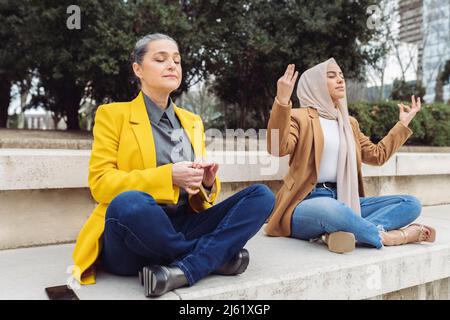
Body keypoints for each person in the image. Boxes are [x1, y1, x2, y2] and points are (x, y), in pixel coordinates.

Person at [72, 33, 275, 297]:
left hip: (183, 223)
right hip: (133, 236)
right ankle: (211, 257)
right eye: (160, 59)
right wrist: (168, 176)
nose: (172, 65)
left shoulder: (192, 121)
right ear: (138, 69)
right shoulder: (112, 115)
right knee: (129, 203)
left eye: (177, 61)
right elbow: (100, 185)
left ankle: (185, 266)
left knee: (261, 196)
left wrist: (206, 182)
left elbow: (203, 199)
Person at [265, 58, 436, 253]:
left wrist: (402, 125)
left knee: (410, 204)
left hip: (345, 198)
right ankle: (391, 237)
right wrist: (282, 102)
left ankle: (339, 233)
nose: (340, 80)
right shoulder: (299, 117)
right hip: (306, 202)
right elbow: (277, 148)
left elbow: (377, 155)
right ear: (315, 85)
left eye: (341, 76)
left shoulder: (349, 123)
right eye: (331, 76)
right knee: (331, 210)